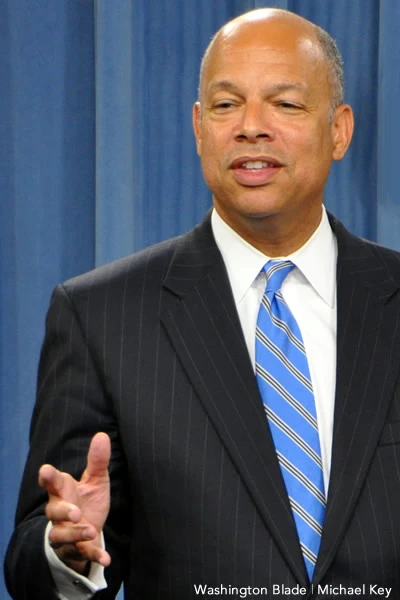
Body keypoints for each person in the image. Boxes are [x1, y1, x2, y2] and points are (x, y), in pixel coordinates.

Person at [5, 7, 400, 600]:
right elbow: (34, 558)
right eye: (226, 104)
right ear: (198, 127)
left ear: (339, 130)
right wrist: (68, 550)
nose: (251, 127)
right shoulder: (102, 318)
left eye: (285, 104)